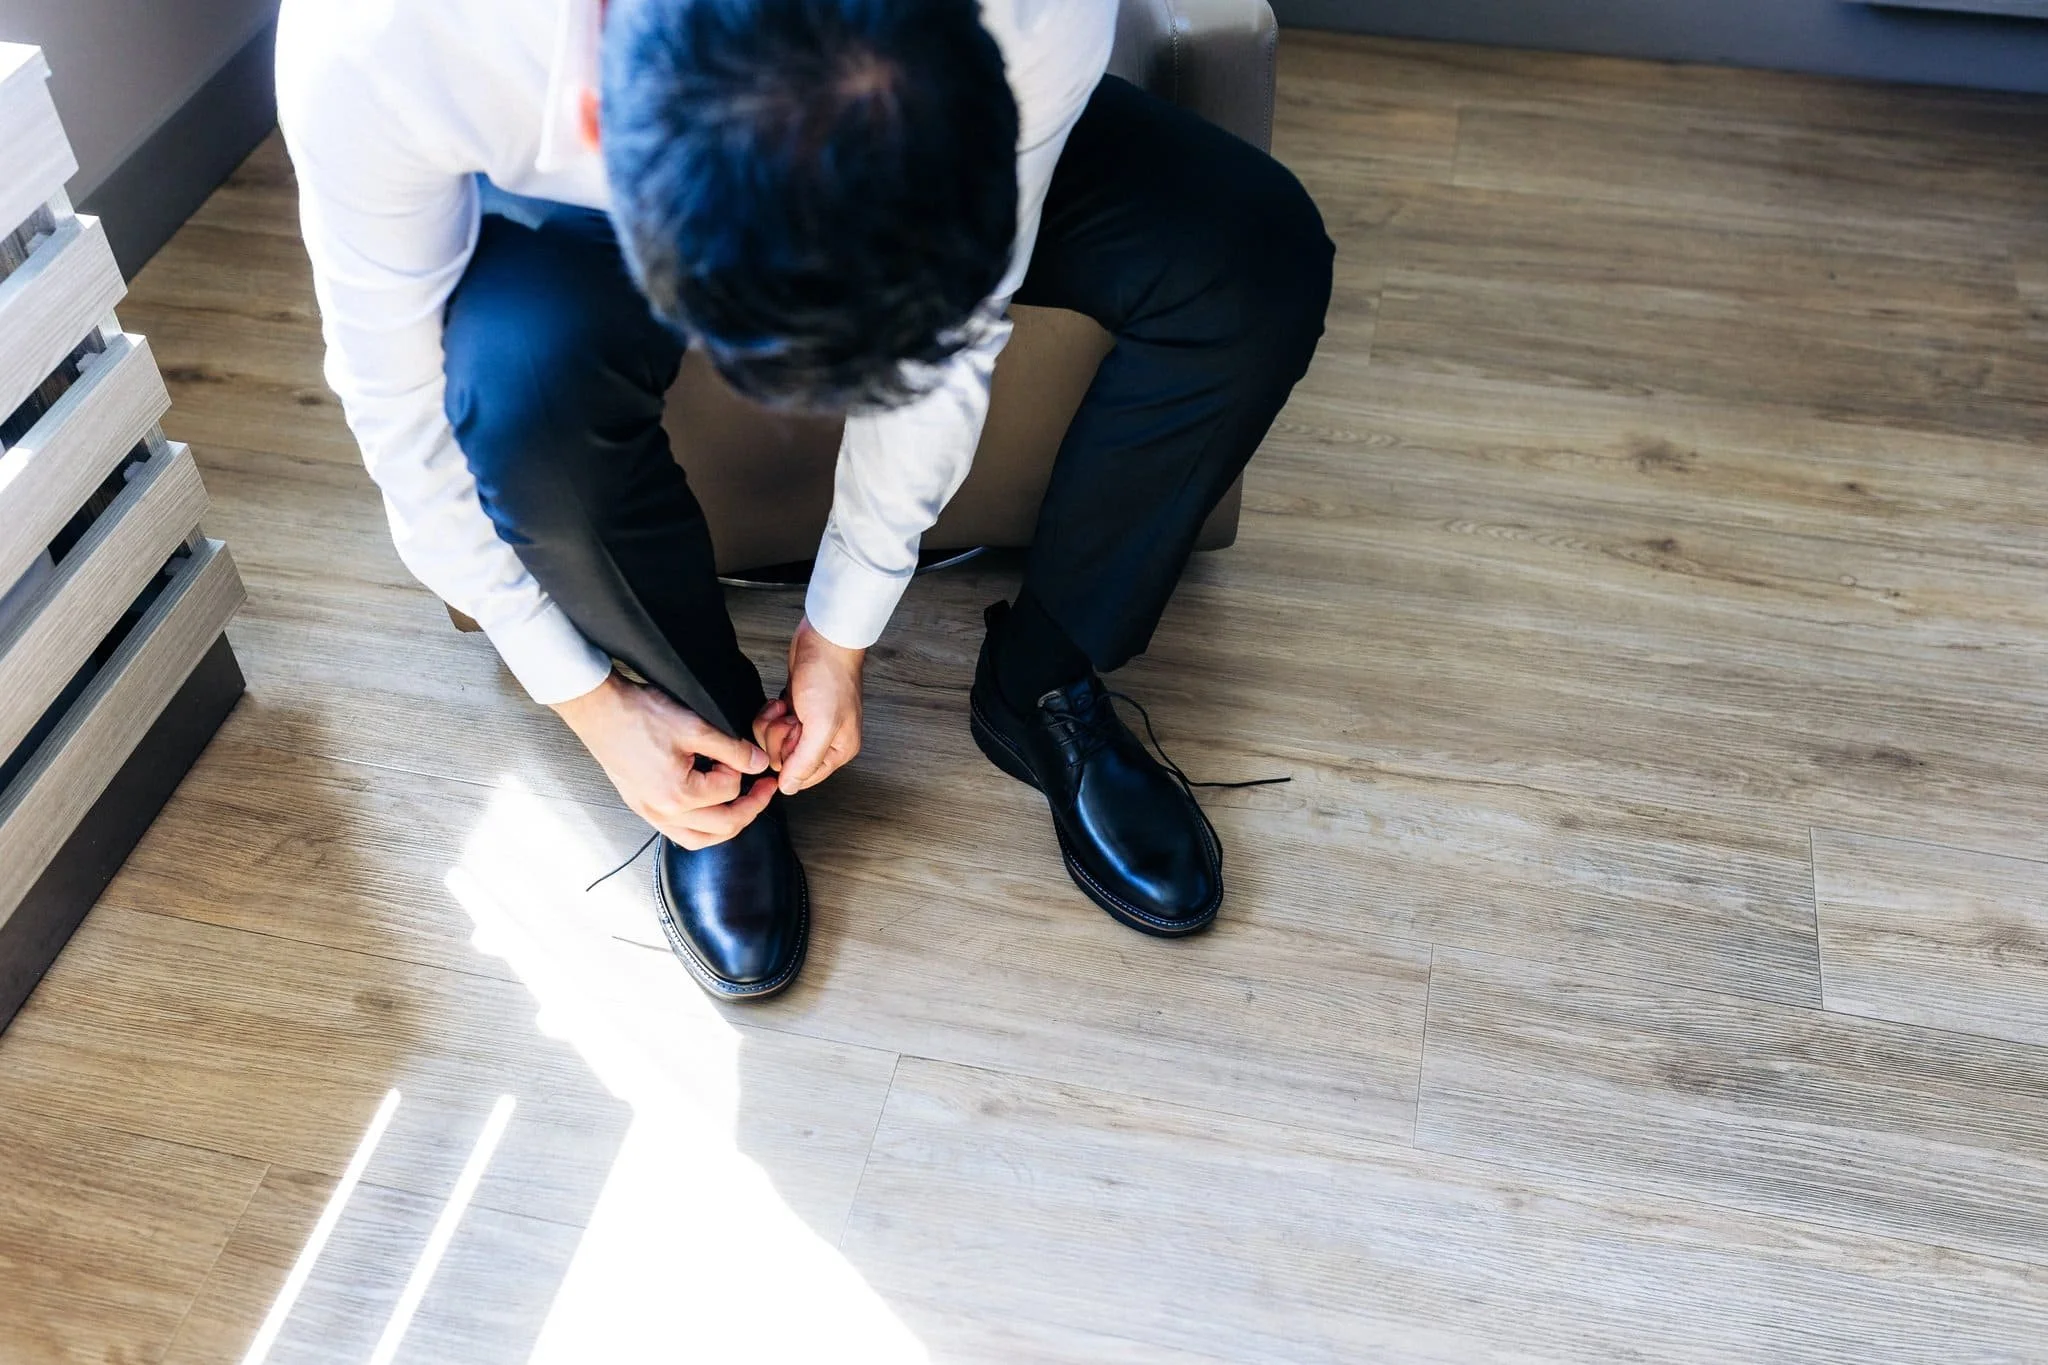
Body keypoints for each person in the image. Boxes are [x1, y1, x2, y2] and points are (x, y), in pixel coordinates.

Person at [276, 0, 1332, 1000]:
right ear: (600, 121)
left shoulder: (1024, 16)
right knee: (520, 395)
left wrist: (843, 630)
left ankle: (1042, 677)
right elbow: (397, 414)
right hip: (565, 198)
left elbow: (948, 337)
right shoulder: (386, 37)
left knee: (1248, 251)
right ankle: (707, 753)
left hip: (926, 116)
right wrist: (585, 701)